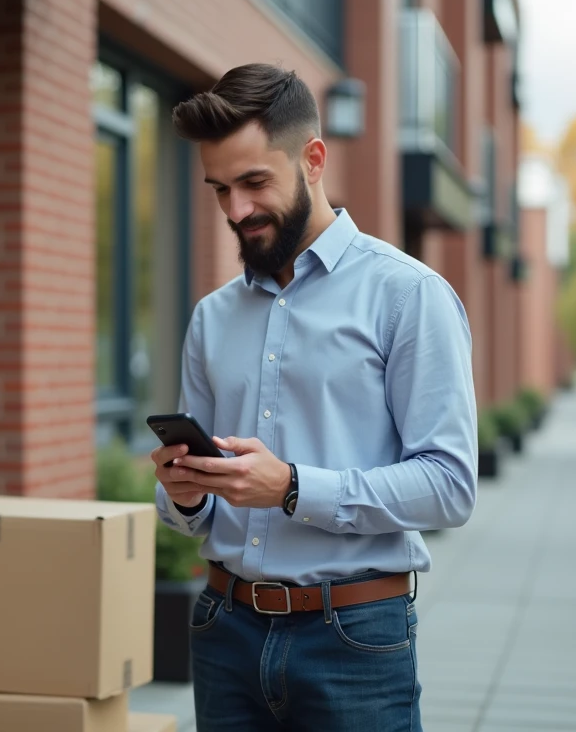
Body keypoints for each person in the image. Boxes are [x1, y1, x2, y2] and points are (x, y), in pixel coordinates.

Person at [150, 63, 478, 732]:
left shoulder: (408, 296)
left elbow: (450, 486)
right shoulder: (212, 317)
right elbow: (195, 510)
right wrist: (184, 493)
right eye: (219, 189)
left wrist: (293, 486)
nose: (235, 210)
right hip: (223, 629)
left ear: (314, 159)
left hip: (354, 639)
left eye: (254, 183)